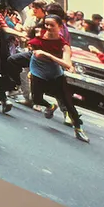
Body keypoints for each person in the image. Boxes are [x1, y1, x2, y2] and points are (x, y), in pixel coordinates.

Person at [28, 14, 89, 142]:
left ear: (60, 27)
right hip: (38, 71)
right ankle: (50, 106)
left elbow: (67, 64)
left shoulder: (63, 45)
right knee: (36, 99)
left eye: (52, 25)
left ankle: (78, 129)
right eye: (46, 24)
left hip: (55, 73)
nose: (48, 27)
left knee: (68, 102)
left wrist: (48, 55)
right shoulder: (38, 36)